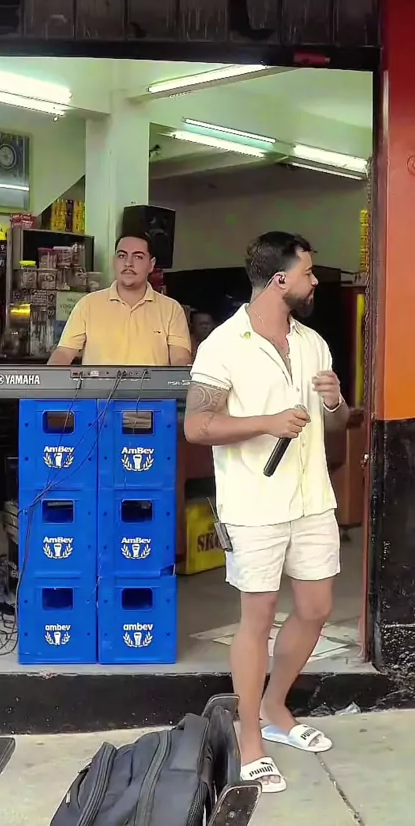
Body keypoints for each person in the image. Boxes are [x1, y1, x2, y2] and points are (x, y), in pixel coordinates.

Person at [184, 231, 349, 794]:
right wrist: (267, 423)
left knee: (316, 607)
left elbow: (337, 425)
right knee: (256, 619)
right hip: (253, 504)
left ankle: (277, 707)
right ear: (280, 280)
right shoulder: (223, 345)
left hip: (312, 499)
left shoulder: (313, 343)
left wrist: (335, 402)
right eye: (308, 272)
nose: (314, 281)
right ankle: (249, 734)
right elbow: (197, 426)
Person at [48, 234, 191, 366]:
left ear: (151, 264)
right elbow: (64, 352)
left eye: (138, 257)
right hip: (98, 387)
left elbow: (180, 360)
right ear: (114, 261)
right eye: (122, 256)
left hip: (153, 387)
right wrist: (46, 380)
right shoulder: (88, 304)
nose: (128, 263)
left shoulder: (171, 309)